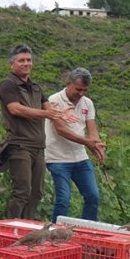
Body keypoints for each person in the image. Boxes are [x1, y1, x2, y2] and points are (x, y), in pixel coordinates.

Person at [0, 45, 76, 220]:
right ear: (12, 64)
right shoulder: (8, 84)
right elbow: (16, 109)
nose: (26, 63)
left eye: (29, 60)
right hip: (19, 145)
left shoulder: (36, 87)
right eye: (21, 60)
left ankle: (27, 227)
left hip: (38, 147)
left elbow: (49, 108)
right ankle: (10, 227)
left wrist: (61, 113)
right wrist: (46, 113)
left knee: (36, 193)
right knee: (22, 191)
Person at [45, 68, 106, 222]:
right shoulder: (54, 100)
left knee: (93, 196)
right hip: (57, 158)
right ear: (68, 84)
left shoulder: (87, 103)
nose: (81, 94)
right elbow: (61, 129)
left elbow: (92, 129)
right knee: (63, 199)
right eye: (78, 89)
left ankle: (87, 232)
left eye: (85, 90)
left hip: (80, 157)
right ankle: (55, 233)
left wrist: (97, 146)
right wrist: (87, 143)